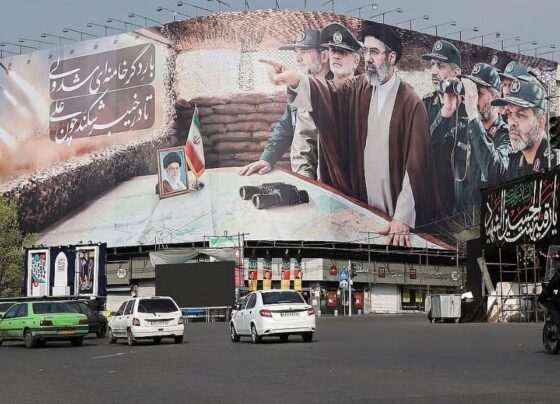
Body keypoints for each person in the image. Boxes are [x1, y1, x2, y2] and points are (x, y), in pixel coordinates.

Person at [261, 21, 440, 246]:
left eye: (374, 52)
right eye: (366, 52)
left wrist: (402, 218)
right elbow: (330, 94)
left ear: (392, 57)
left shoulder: (411, 103)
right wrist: (295, 79)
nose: (368, 59)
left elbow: (417, 166)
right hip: (361, 205)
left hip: (393, 213)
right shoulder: (358, 87)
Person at [238, 29, 331, 177]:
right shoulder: (299, 86)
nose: (298, 58)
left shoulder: (341, 90)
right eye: (296, 52)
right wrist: (267, 158)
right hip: (305, 174)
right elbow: (287, 124)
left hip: (330, 179)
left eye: (304, 51)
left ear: (324, 55)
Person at [291, 23, 362, 180]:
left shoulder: (368, 94)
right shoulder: (316, 96)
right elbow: (303, 150)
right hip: (328, 184)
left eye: (343, 52)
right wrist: (308, 185)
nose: (336, 56)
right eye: (333, 51)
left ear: (356, 61)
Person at [443, 63, 510, 210]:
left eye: (477, 93)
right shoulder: (462, 127)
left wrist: (473, 116)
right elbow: (432, 154)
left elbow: (495, 172)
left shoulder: (506, 135)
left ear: (496, 98)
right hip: (458, 218)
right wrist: (446, 112)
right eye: (469, 93)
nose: (471, 99)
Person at [421, 40, 467, 213]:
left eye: (440, 66)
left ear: (456, 73)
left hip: (458, 200)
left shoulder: (469, 109)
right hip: (430, 193)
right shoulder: (426, 104)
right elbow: (422, 148)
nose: (434, 71)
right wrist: (445, 112)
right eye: (432, 65)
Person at [491, 78, 559, 179]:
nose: (512, 123)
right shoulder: (514, 162)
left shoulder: (554, 162)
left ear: (540, 123)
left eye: (521, 115)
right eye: (509, 114)